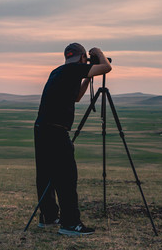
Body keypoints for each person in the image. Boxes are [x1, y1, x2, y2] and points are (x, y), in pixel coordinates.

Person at [34, 43, 112, 236]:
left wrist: (88, 78)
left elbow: (76, 97)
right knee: (67, 177)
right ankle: (70, 224)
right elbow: (107, 68)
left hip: (42, 129)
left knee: (46, 175)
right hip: (56, 132)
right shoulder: (74, 68)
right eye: (86, 59)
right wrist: (98, 53)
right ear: (81, 58)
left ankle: (49, 217)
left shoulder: (60, 71)